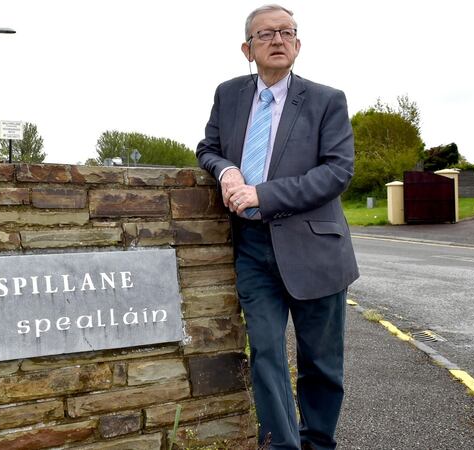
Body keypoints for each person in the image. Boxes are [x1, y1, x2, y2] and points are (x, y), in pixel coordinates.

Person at [196, 4, 359, 449]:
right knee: (266, 354)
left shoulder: (328, 100)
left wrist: (263, 195)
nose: (277, 40)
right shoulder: (228, 94)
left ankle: (318, 442)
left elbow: (337, 172)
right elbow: (206, 147)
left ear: (298, 45)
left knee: (321, 364)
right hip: (252, 248)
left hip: (316, 250)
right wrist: (226, 170)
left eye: (286, 32)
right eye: (265, 34)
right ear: (247, 49)